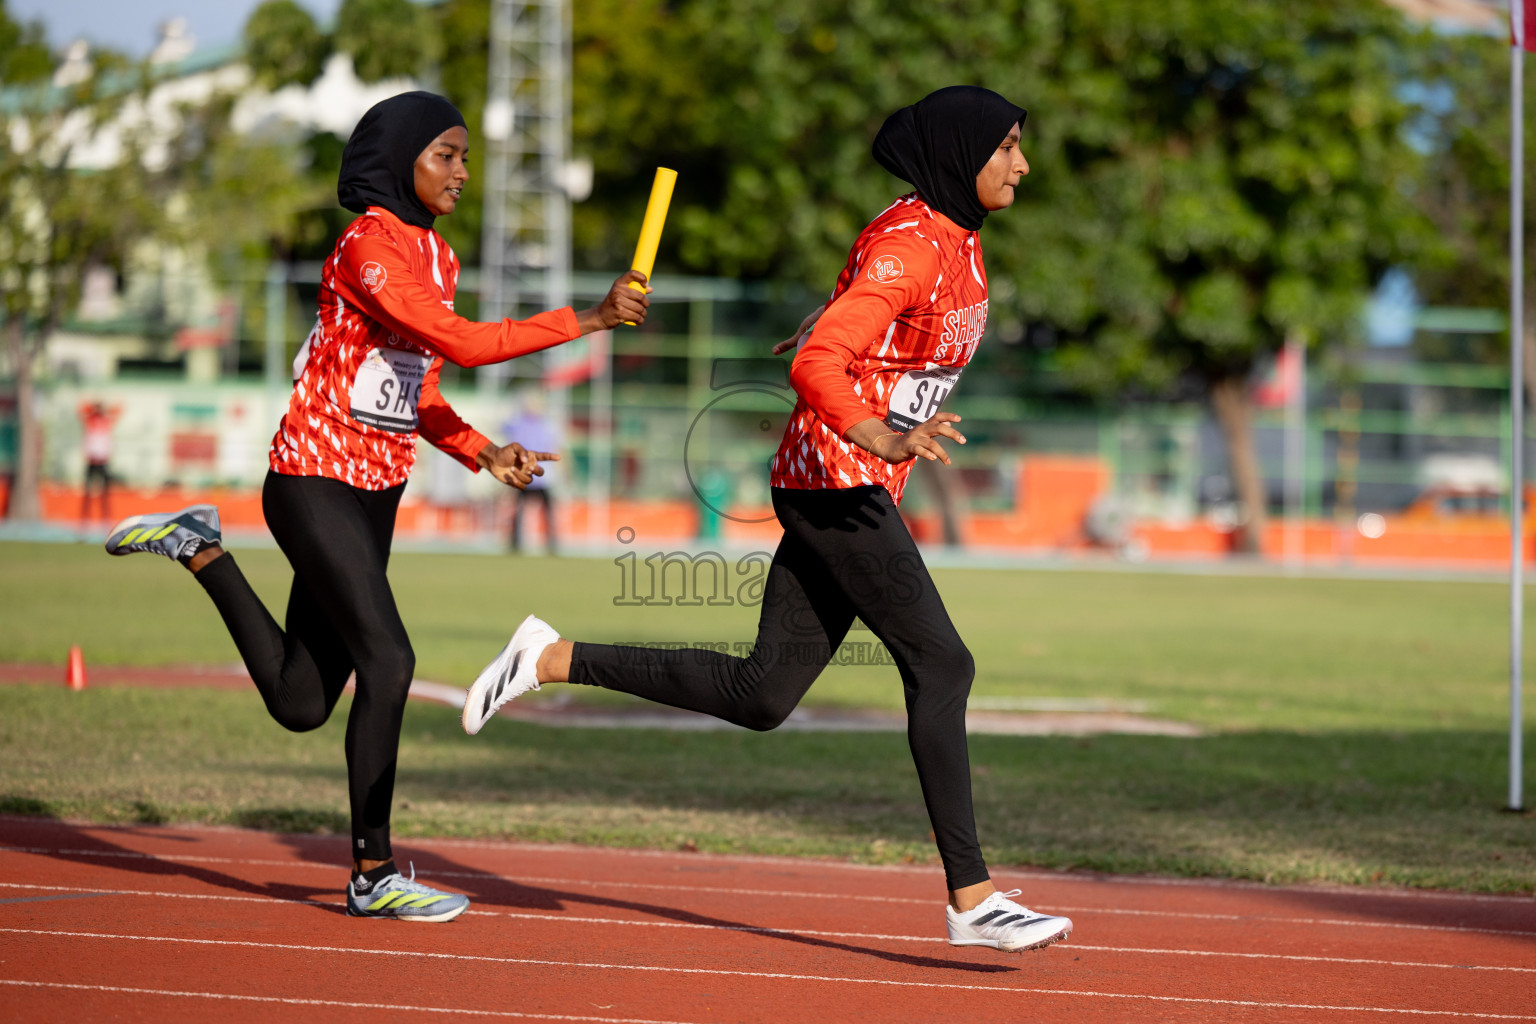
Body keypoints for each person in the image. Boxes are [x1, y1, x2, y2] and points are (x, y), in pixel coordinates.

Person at [462, 86, 1071, 953]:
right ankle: (972, 901)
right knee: (943, 664)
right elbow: (827, 360)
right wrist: (873, 426)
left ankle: (549, 655)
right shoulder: (913, 242)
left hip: (844, 479)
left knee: (762, 696)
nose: (1021, 163)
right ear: (959, 152)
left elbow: (863, 317)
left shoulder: (952, 237)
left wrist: (833, 328)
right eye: (1006, 146)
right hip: (838, 478)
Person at [103, 91, 649, 922]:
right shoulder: (367, 246)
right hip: (312, 480)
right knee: (389, 662)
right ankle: (371, 873)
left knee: (300, 701)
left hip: (375, 495)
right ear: (400, 159)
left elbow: (421, 388)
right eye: (446, 155)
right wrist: (589, 317)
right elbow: (466, 343)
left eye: (466, 155)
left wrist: (482, 450)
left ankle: (199, 548)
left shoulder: (440, 257)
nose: (464, 171)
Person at [503, 391, 559, 554]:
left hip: (543, 475)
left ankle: (551, 542)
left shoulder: (546, 425)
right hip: (525, 473)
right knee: (519, 509)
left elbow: (555, 448)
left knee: (547, 511)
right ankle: (515, 542)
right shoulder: (518, 424)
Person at [78, 401, 119, 521]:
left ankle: (105, 518)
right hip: (91, 460)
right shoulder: (90, 420)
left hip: (103, 461)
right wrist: (92, 408)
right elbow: (80, 409)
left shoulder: (106, 421)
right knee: (87, 493)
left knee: (105, 494)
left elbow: (119, 409)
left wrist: (105, 409)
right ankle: (85, 518)